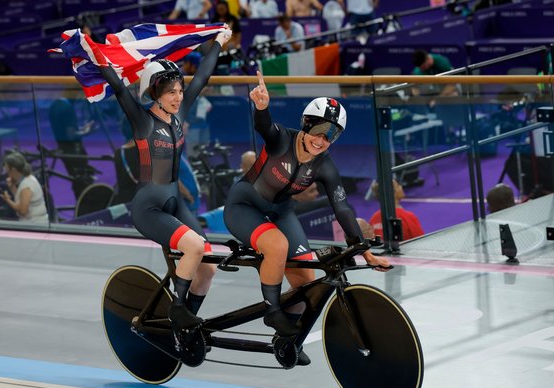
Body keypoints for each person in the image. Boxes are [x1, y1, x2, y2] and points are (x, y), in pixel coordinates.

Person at [224, 71, 390, 349]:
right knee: (277, 246)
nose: (322, 141)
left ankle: (285, 343)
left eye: (331, 136)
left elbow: (343, 207)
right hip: (244, 207)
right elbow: (265, 127)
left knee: (306, 286)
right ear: (306, 125)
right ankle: (272, 311)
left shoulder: (324, 166)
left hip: (281, 212)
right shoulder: (282, 141)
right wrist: (262, 107)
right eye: (319, 131)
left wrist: (365, 252)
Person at [97, 28, 232, 329]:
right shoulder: (142, 119)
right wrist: (98, 56)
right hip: (149, 207)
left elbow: (202, 78)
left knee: (208, 266)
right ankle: (178, 311)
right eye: (171, 91)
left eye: (179, 90)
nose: (179, 96)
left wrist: (218, 43)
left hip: (175, 202)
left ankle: (184, 323)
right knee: (195, 248)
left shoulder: (180, 112)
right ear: (155, 93)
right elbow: (119, 88)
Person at [48, 97, 96, 199]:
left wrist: (82, 129)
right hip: (74, 151)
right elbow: (71, 135)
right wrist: (87, 132)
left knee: (75, 180)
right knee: (82, 182)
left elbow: (66, 130)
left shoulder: (55, 105)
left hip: (64, 149)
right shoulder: (67, 108)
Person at [0, 152, 49, 224]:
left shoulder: (26, 185)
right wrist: (12, 187)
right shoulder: (29, 178)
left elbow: (23, 211)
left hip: (35, 226)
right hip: (32, 223)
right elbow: (21, 200)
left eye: (7, 170)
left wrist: (8, 200)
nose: (7, 173)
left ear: (13, 170)